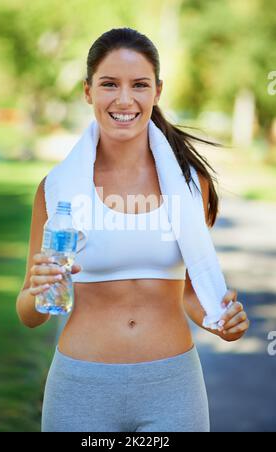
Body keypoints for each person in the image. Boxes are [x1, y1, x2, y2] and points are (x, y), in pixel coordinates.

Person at [16, 27, 250, 432]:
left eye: (139, 85)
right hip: (81, 387)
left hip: (173, 386)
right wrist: (38, 292)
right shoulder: (56, 189)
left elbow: (193, 294)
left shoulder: (191, 183)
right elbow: (29, 315)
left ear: (157, 91)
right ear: (88, 91)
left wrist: (221, 320)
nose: (124, 100)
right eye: (109, 84)